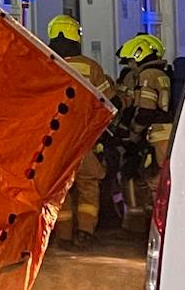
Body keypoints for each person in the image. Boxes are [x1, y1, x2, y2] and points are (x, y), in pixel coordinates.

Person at [47, 15, 113, 246]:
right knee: (88, 184)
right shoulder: (90, 67)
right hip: (85, 138)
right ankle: (85, 231)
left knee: (59, 187)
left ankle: (63, 234)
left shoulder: (46, 62)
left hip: (54, 139)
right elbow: (109, 103)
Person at [117, 33, 175, 167]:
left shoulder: (147, 75)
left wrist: (133, 135)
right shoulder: (160, 73)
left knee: (155, 181)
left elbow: (146, 111)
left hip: (157, 135)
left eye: (131, 61)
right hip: (163, 133)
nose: (130, 66)